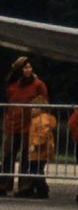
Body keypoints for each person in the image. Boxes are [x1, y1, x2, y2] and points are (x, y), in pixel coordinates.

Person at [2, 57, 51, 198]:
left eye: (30, 67)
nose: (28, 70)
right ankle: (4, 184)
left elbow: (44, 101)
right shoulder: (12, 85)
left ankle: (25, 186)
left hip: (29, 125)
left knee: (26, 156)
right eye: (25, 67)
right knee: (8, 155)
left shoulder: (38, 85)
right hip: (12, 123)